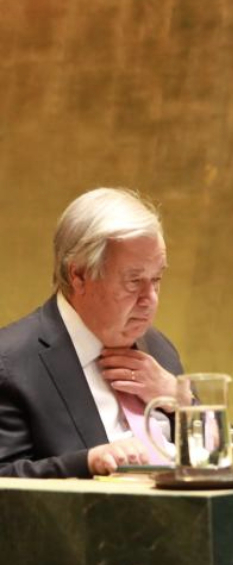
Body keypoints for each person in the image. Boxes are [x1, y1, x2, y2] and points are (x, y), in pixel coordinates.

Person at [0, 188, 184, 478]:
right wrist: (87, 462)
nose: (150, 299)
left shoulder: (159, 348)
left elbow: (215, 457)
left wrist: (183, 402)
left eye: (157, 279)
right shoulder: (11, 362)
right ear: (80, 275)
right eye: (134, 281)